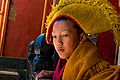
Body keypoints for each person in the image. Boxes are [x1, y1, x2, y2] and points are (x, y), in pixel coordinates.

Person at [36, 0, 120, 80]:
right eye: (54, 36)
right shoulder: (69, 62)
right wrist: (54, 74)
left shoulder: (90, 66)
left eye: (65, 35)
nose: (58, 42)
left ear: (82, 37)